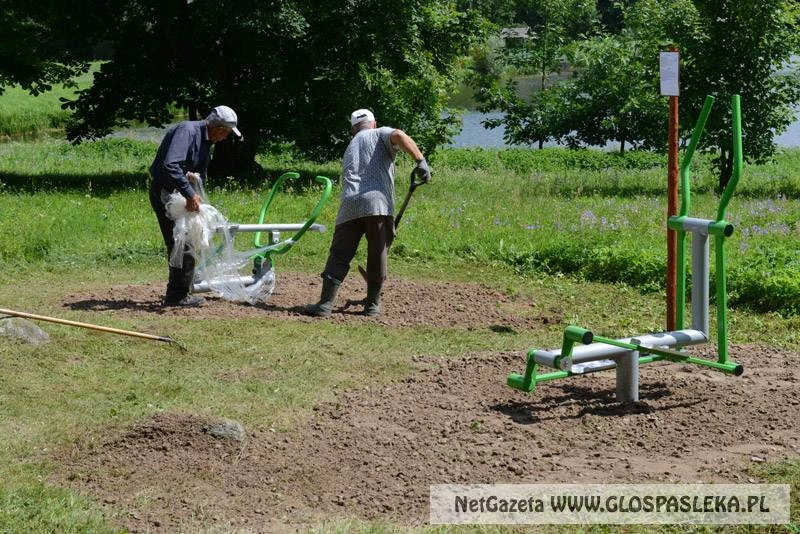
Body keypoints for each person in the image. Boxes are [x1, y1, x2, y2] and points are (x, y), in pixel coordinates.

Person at [306, 108, 431, 317]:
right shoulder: (380, 133)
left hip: (349, 205)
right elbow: (399, 135)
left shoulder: (351, 145)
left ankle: (325, 304)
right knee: (377, 253)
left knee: (339, 254)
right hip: (377, 204)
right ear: (373, 123)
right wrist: (420, 160)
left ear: (353, 129)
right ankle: (372, 306)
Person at [149, 105, 242, 307]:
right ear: (218, 128)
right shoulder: (187, 131)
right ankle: (177, 295)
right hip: (166, 194)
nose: (225, 138)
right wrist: (190, 193)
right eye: (226, 133)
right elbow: (171, 164)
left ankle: (183, 289)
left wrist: (194, 188)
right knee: (182, 242)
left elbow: (195, 171)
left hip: (179, 194)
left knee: (190, 238)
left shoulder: (206, 141)